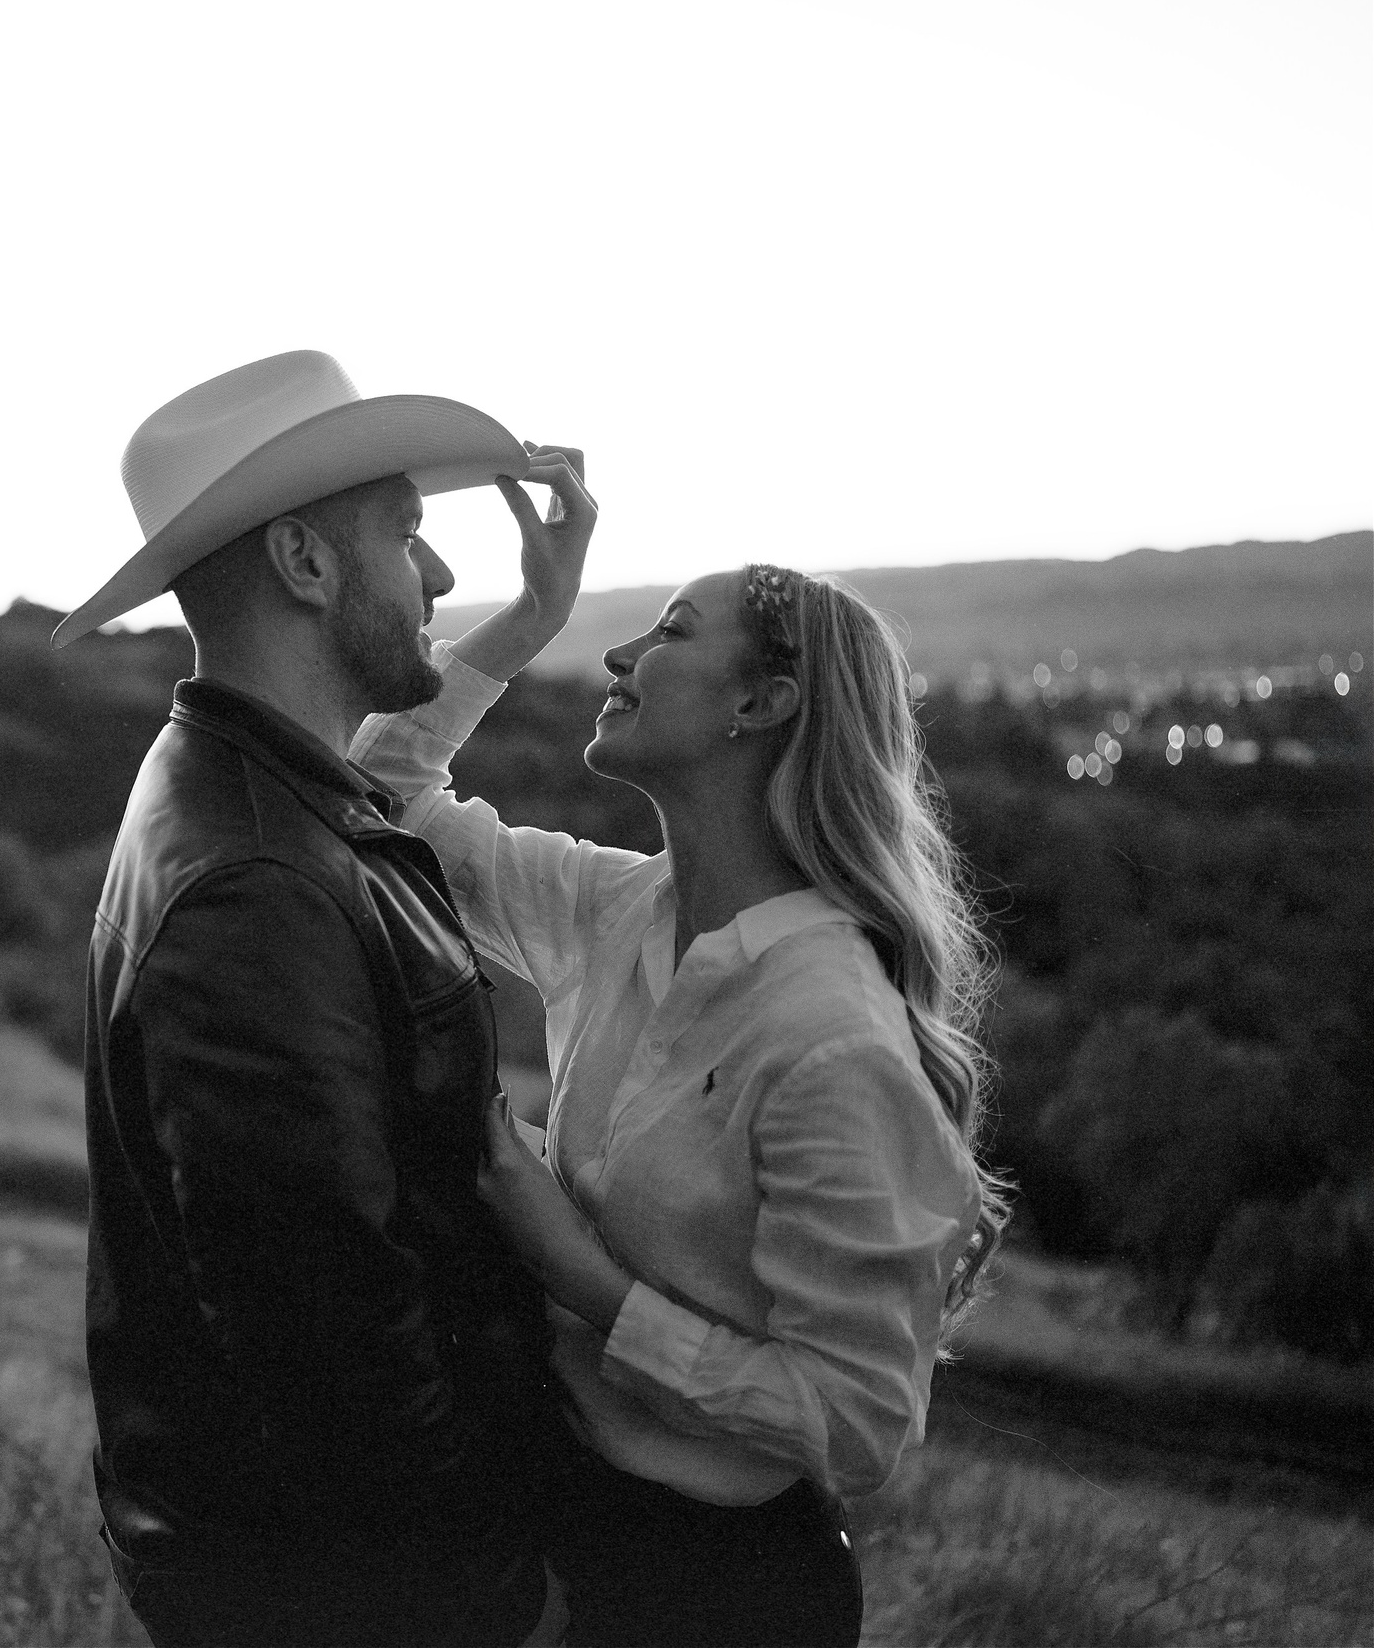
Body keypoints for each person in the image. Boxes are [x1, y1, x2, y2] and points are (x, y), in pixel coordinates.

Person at [351, 461, 1006, 1647]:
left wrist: (577, 1271)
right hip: (556, 1519)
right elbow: (378, 797)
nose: (619, 655)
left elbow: (855, 1426)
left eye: (668, 632)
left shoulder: (829, 1038)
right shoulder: (619, 912)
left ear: (760, 702)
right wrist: (528, 616)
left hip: (719, 1593)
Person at [55, 350, 581, 1647]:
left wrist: (525, 625)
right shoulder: (259, 880)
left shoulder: (248, 787)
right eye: (405, 533)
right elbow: (331, 1335)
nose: (439, 576)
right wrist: (492, 1605)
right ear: (303, 562)